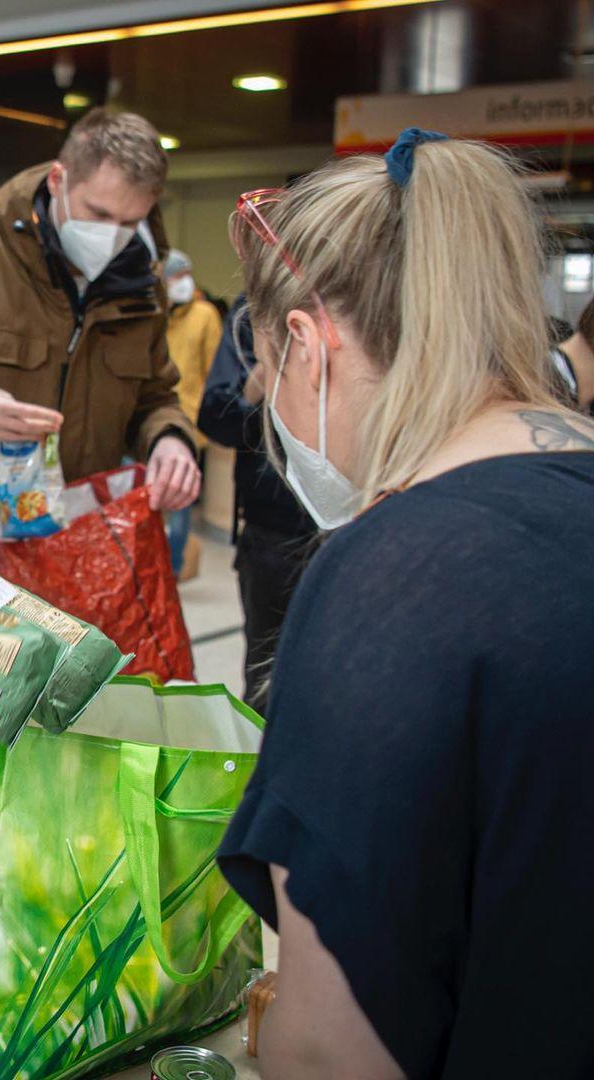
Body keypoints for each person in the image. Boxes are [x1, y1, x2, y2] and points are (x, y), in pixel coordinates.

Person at [218, 129, 594, 1078]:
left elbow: (327, 1051)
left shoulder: (388, 581)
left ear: (307, 344)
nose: (268, 402)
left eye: (265, 371)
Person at [0, 108, 200, 521]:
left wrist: (168, 438)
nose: (112, 237)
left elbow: (155, 396)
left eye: (130, 222)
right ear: (57, 180)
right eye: (99, 214)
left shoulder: (142, 287)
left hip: (76, 531)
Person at [197, 295, 316, 711]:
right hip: (274, 528)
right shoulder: (256, 312)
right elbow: (215, 417)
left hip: (363, 523)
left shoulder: (375, 296)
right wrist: (265, 374)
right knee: (265, 681)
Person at [161, 248, 221, 578]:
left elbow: (214, 369)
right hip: (149, 425)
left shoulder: (204, 315)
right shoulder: (154, 314)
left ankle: (174, 569)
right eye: (176, 276)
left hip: (189, 422)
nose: (183, 282)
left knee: (180, 502)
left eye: (186, 275)